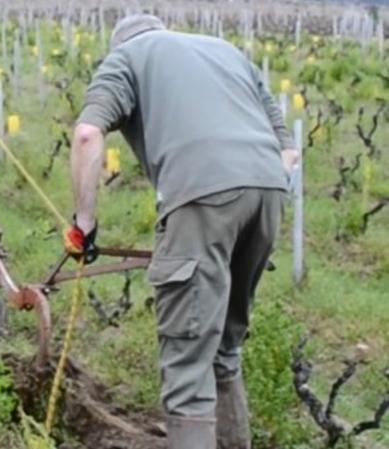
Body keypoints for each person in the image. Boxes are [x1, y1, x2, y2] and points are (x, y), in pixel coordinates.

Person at [62, 14, 300, 449]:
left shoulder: (126, 58)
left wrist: (84, 224)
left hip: (200, 197)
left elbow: (86, 135)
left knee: (187, 367)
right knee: (225, 353)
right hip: (269, 192)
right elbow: (289, 149)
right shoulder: (226, 51)